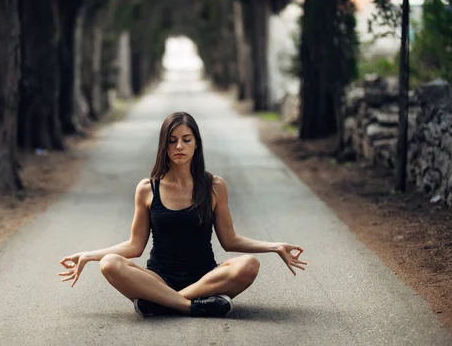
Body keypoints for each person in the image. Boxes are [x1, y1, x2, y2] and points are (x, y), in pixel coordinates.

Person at [59, 112, 307, 317]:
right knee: (109, 264)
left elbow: (230, 240)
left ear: (196, 143)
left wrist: (274, 246)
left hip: (206, 277)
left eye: (186, 139)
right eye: (172, 140)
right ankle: (191, 306)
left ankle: (161, 303)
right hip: (158, 278)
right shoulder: (147, 188)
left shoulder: (214, 186)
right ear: (164, 145)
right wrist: (89, 255)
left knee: (249, 265)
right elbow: (135, 246)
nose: (179, 146)